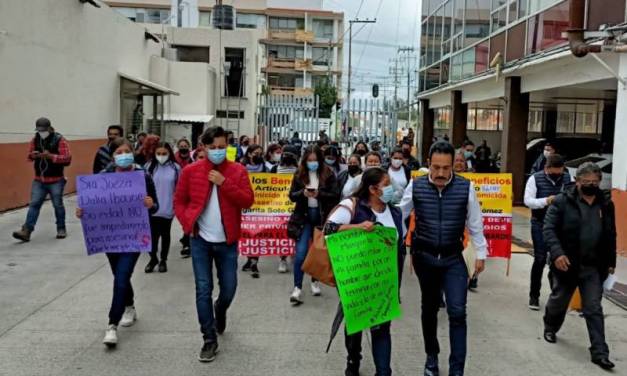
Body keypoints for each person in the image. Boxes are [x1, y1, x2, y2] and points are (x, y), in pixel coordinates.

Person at [399, 141, 487, 376]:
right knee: (429, 309)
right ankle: (431, 357)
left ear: (453, 167)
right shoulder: (415, 186)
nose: (440, 173)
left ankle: (457, 368)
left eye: (446, 168)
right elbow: (400, 215)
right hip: (424, 257)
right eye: (436, 167)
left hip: (453, 258)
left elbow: (475, 224)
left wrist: (481, 253)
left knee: (457, 311)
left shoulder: (465, 187)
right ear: (428, 164)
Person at [174, 126, 254, 362]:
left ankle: (220, 311)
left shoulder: (237, 170)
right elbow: (180, 201)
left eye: (222, 147)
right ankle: (209, 339)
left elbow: (248, 200)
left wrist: (224, 183)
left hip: (227, 242)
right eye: (213, 148)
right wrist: (187, 222)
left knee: (228, 289)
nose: (218, 151)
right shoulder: (190, 171)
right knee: (203, 289)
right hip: (200, 240)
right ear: (203, 147)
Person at [77, 137, 159, 347]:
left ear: (133, 152)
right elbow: (93, 205)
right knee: (119, 276)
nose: (123, 155)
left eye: (126, 151)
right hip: (110, 237)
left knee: (122, 276)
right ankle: (129, 305)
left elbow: (156, 206)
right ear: (112, 157)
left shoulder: (144, 176)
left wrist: (150, 204)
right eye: (118, 152)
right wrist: (83, 211)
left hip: (134, 237)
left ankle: (112, 325)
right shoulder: (103, 178)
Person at [325, 168, 405, 376]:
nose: (391, 189)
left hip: (383, 283)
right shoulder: (352, 207)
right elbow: (329, 230)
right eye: (386, 184)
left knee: (382, 329)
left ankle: (383, 371)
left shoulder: (395, 212)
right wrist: (358, 227)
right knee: (356, 324)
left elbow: (399, 246)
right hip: (357, 279)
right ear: (372, 189)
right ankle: (353, 359)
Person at [542, 162, 616, 370]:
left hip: (593, 266)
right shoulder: (562, 201)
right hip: (567, 263)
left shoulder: (606, 204)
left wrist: (611, 261)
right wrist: (557, 253)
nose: (592, 185)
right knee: (559, 301)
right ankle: (550, 326)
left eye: (595, 182)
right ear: (577, 181)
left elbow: (611, 233)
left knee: (593, 307)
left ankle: (600, 352)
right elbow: (548, 229)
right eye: (587, 182)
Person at [288, 146, 339, 304]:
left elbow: (335, 195)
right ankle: (297, 287)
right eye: (309, 160)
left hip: (321, 218)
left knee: (317, 253)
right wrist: (302, 193)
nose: (312, 163)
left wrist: (319, 194)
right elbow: (291, 196)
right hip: (303, 219)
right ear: (304, 161)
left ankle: (314, 281)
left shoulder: (328, 174)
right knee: (301, 254)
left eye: (315, 160)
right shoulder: (299, 175)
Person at [524, 154, 572, 311]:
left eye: (560, 172)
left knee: (558, 259)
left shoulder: (566, 178)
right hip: (540, 223)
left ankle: (557, 295)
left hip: (560, 225)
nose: (558, 175)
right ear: (546, 168)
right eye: (554, 172)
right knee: (540, 258)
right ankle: (534, 295)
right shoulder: (535, 179)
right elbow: (528, 201)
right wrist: (546, 200)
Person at [12, 118, 72, 242]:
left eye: (43, 130)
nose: (41, 132)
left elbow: (67, 159)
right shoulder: (35, 139)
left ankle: (61, 228)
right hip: (39, 179)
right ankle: (26, 230)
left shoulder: (60, 140)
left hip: (56, 179)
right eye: (39, 130)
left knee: (58, 205)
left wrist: (50, 156)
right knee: (34, 204)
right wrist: (33, 155)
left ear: (50, 128)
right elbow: (29, 156)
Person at [144, 142, 181, 274]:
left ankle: (163, 260)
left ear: (169, 153)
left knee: (165, 235)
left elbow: (180, 188)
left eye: (164, 153)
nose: (161, 156)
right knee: (152, 237)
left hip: (168, 208)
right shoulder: (148, 167)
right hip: (151, 208)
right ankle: (153, 258)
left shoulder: (176, 168)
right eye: (158, 153)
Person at [271, 147, 300, 273]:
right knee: (281, 233)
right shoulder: (274, 169)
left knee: (294, 232)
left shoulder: (299, 171)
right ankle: (282, 259)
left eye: (290, 155)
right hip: (279, 206)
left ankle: (293, 255)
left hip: (294, 205)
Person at [241, 144, 266, 278]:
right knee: (247, 233)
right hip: (245, 204)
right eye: (256, 153)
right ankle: (249, 258)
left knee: (257, 233)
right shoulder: (241, 166)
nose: (258, 155)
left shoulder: (264, 167)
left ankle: (254, 260)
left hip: (260, 205)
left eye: (260, 153)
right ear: (249, 153)